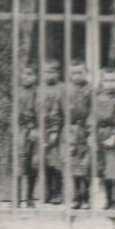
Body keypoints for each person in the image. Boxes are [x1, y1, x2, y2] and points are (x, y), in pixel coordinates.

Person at [91, 67, 115, 213]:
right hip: (100, 134)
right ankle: (108, 199)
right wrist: (91, 134)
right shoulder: (97, 98)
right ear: (102, 82)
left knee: (114, 170)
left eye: (112, 80)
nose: (109, 84)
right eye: (106, 80)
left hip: (113, 135)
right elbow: (92, 118)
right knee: (102, 169)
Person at [62, 61, 95, 209]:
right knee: (73, 163)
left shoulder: (91, 90)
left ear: (86, 73)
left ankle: (86, 195)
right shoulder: (66, 89)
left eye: (80, 72)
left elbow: (93, 110)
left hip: (85, 130)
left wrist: (90, 129)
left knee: (86, 165)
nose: (76, 76)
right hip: (70, 129)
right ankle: (76, 195)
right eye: (73, 73)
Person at [36, 59, 67, 205]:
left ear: (58, 73)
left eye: (50, 72)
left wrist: (55, 129)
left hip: (59, 131)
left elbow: (61, 110)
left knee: (57, 163)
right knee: (45, 162)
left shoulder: (62, 89)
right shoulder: (40, 89)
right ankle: (48, 192)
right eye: (44, 72)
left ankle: (58, 192)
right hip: (42, 129)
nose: (47, 75)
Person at [15, 63, 41, 207]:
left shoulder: (37, 93)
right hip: (20, 131)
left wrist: (35, 127)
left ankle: (30, 197)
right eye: (24, 74)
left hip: (34, 131)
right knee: (19, 164)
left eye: (30, 74)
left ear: (35, 76)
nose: (26, 77)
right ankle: (17, 198)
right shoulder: (18, 92)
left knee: (33, 165)